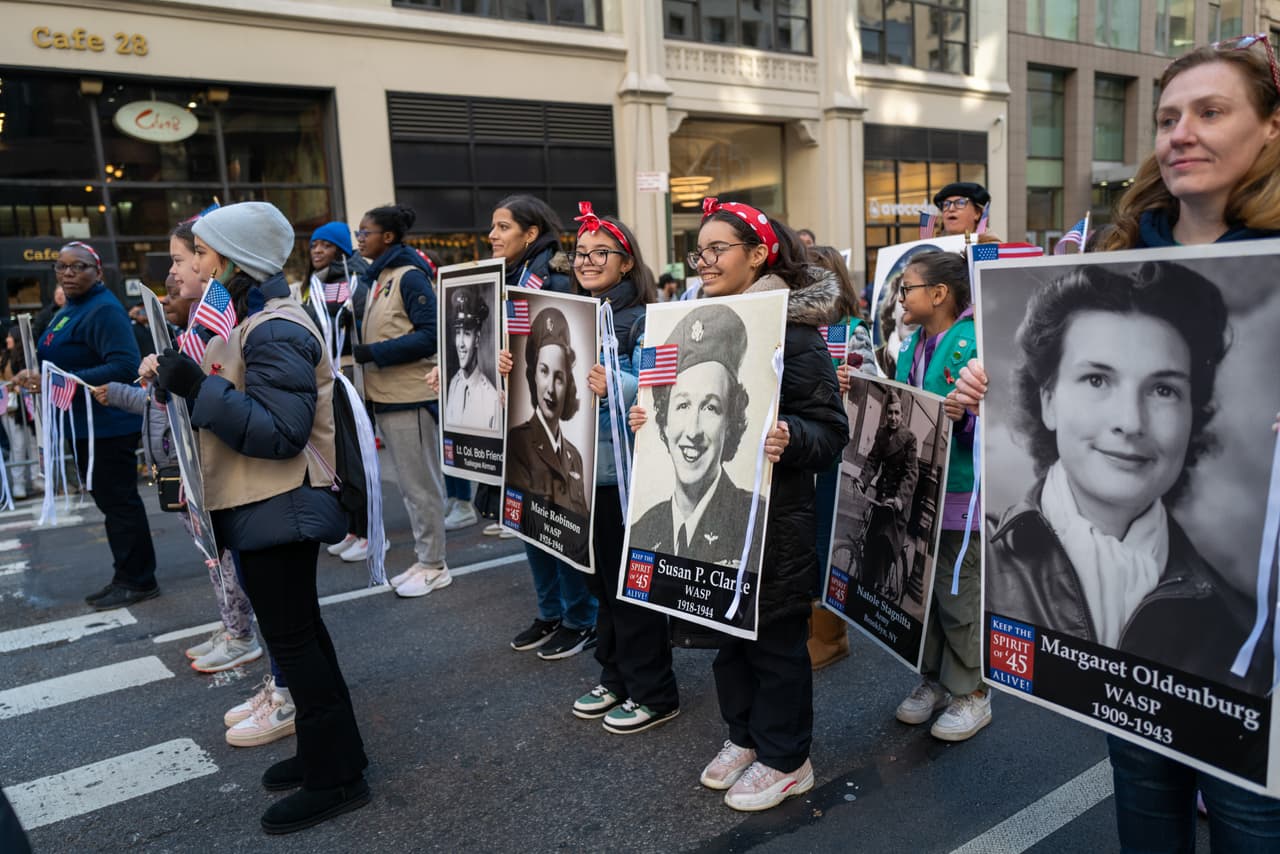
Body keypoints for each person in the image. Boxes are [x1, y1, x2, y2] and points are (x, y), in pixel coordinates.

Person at [955, 36, 1280, 849]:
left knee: (1250, 816)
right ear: (1049, 396)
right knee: (1144, 798)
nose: (1182, 134)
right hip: (1129, 679)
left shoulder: (1230, 604)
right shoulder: (1121, 250)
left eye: (1211, 112)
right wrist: (974, 391)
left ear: (1272, 127)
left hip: (1265, 675)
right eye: (1168, 118)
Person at [154, 201, 369, 834]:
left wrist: (198, 387)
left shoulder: (274, 326)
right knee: (298, 638)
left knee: (297, 643)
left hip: (282, 504)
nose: (193, 265)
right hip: (265, 506)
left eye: (200, 253)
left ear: (230, 259)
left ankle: (337, 778)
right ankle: (330, 754)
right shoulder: (253, 320)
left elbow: (281, 432)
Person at [632, 197, 848, 812]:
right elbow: (660, 408)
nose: (703, 261)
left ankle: (788, 758)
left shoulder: (793, 334)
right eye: (698, 250)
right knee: (727, 639)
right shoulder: (686, 323)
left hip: (774, 525)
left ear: (757, 255)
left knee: (776, 645)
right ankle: (744, 736)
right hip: (719, 538)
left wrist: (791, 436)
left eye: (717, 249)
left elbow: (831, 431)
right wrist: (645, 420)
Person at [986, 263, 1267, 685]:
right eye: (1097, 380)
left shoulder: (1244, 634)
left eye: (1163, 390)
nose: (1131, 422)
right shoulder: (976, 562)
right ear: (1049, 402)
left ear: (1193, 414)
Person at [101, 269, 263, 674]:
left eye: (172, 294)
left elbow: (197, 402)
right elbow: (155, 406)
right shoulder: (177, 348)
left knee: (221, 558)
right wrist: (121, 392)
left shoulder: (200, 349)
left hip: (199, 470)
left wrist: (163, 378)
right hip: (177, 471)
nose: (166, 300)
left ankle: (242, 634)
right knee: (211, 559)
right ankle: (231, 625)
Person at [568, 202, 679, 727]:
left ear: (627, 263)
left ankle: (654, 692)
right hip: (581, 472)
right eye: (580, 252)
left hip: (625, 477)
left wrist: (619, 383)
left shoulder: (646, 320)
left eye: (600, 253)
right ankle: (615, 678)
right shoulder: (576, 313)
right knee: (601, 586)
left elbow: (663, 387)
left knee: (630, 588)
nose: (587, 261)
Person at [14, 242, 158, 610]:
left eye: (78, 267)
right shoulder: (69, 309)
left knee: (120, 503)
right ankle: (126, 574)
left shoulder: (104, 309)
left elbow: (124, 365)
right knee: (111, 504)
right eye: (61, 267)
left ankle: (138, 579)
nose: (68, 273)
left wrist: (57, 379)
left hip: (108, 425)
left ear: (98, 272)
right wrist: (36, 374)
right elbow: (55, 360)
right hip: (83, 425)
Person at [490, 195, 599, 656]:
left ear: (531, 233)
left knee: (561, 521)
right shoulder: (510, 277)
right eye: (493, 226)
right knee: (529, 521)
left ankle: (580, 617)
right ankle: (550, 611)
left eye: (503, 227)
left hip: (568, 431)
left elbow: (577, 347)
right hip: (518, 423)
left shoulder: (553, 279)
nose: (492, 235)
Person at [884, 249, 986, 742]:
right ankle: (933, 679)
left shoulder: (974, 344)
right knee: (920, 592)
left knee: (957, 591)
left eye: (907, 288)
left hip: (960, 490)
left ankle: (972, 692)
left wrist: (966, 420)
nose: (900, 297)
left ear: (940, 294)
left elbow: (998, 421)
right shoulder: (912, 344)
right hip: (920, 487)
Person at [353, 203, 450, 599]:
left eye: (365, 233)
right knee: (411, 489)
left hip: (410, 396)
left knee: (421, 486)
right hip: (388, 396)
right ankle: (426, 558)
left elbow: (431, 334)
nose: (360, 239)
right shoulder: (382, 276)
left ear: (388, 237)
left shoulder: (410, 276)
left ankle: (435, 564)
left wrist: (373, 352)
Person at [628, 304, 762, 574]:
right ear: (664, 419)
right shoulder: (641, 531)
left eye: (710, 407)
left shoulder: (755, 520)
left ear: (730, 423)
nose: (693, 431)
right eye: (682, 405)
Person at [806, 244, 878, 670]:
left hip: (838, 450)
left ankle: (831, 635)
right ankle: (812, 625)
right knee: (805, 537)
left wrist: (855, 381)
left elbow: (877, 389)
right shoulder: (796, 326)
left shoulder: (851, 329)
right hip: (802, 447)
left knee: (826, 539)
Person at [503, 306, 591, 534]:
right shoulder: (518, 442)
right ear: (533, 375)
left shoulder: (575, 457)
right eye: (544, 371)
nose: (550, 388)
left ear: (568, 384)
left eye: (559, 377)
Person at [854, 391, 918, 596]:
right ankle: (865, 585)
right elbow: (873, 461)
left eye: (896, 413)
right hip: (882, 497)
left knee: (884, 540)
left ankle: (879, 589)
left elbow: (911, 474)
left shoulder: (909, 439)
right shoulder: (881, 434)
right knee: (870, 540)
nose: (893, 417)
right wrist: (862, 480)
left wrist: (899, 499)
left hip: (898, 504)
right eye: (889, 413)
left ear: (902, 415)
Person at [443, 287, 502, 431]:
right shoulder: (453, 385)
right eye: (458, 333)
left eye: (467, 334)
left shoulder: (491, 398)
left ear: (477, 338)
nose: (461, 344)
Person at [0, 327, 37, 499]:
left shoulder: (28, 357)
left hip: (29, 407)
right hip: (11, 409)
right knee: (18, 444)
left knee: (33, 442)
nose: (7, 339)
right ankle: (18, 484)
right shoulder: (4, 358)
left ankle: (37, 478)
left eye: (10, 337)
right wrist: (13, 384)